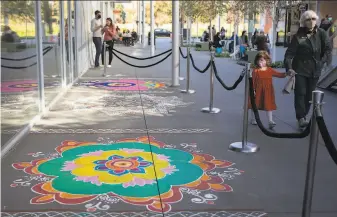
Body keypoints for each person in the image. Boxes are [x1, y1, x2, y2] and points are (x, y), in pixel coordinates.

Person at [284, 10, 331, 129]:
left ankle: (304, 115)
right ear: (304, 22)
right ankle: (301, 118)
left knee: (310, 95)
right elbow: (289, 54)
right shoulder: (298, 36)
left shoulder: (321, 33)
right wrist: (289, 68)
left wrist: (323, 62)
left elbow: (327, 49)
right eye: (308, 19)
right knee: (300, 93)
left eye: (313, 19)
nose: (311, 21)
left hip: (315, 69)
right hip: (299, 69)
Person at [249, 51, 291, 129]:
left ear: (267, 61)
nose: (261, 62)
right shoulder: (256, 71)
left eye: (263, 60)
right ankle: (253, 118)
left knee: (269, 105)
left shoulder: (269, 70)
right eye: (260, 60)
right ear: (257, 61)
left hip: (267, 91)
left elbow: (279, 75)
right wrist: (253, 90)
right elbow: (253, 81)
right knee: (255, 104)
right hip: (258, 90)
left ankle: (270, 121)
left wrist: (286, 73)